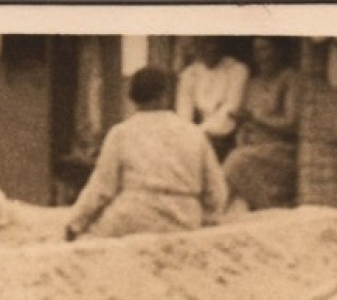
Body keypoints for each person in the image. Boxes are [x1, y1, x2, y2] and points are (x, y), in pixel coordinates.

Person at [65, 66, 228, 241]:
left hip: (135, 214)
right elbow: (217, 189)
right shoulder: (194, 133)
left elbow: (101, 188)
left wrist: (75, 223)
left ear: (133, 98)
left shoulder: (121, 133)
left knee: (88, 239)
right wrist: (208, 218)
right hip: (184, 217)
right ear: (166, 95)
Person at [223, 37, 299, 212]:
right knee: (235, 159)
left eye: (266, 49)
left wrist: (256, 119)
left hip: (282, 149)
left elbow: (292, 124)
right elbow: (245, 121)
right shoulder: (254, 83)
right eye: (257, 51)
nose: (261, 56)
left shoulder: (290, 79)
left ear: (280, 52)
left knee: (236, 162)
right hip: (254, 148)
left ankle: (266, 209)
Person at [174, 37, 249, 163]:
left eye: (215, 42)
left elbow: (230, 112)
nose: (211, 48)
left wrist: (197, 134)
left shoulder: (237, 70)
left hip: (227, 137)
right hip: (197, 137)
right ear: (197, 45)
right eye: (205, 42)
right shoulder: (189, 73)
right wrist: (189, 135)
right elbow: (183, 113)